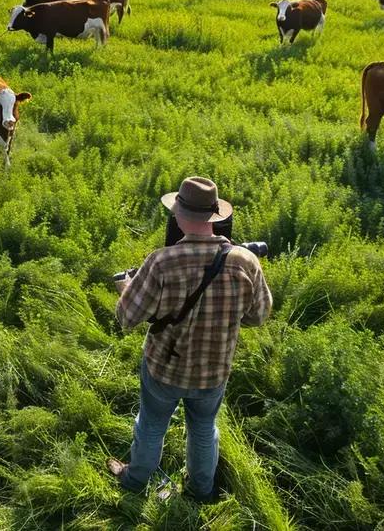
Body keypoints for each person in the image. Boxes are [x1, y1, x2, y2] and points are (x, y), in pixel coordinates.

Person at [107, 176, 272, 502]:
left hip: (164, 368)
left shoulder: (161, 262)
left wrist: (126, 287)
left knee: (151, 425)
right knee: (203, 429)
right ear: (215, 216)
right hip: (213, 371)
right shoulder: (246, 261)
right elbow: (258, 316)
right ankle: (200, 491)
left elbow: (127, 317)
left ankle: (134, 481)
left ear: (178, 215)